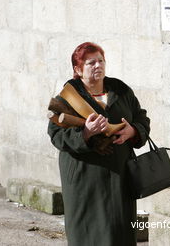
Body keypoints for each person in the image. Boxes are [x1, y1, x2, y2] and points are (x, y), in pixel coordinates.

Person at [47, 42, 150, 246]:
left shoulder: (121, 91)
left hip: (120, 177)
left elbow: (141, 118)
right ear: (78, 69)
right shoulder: (68, 98)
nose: (97, 66)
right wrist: (85, 133)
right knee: (88, 234)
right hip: (84, 180)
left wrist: (133, 131)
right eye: (90, 62)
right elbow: (56, 135)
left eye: (101, 61)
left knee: (120, 232)